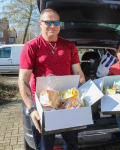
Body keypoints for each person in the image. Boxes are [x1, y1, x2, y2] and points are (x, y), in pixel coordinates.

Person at [18, 8, 85, 150]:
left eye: (56, 22)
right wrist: (32, 109)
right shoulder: (31, 47)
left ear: (60, 24)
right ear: (40, 24)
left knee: (72, 144)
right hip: (43, 106)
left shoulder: (69, 46)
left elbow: (78, 72)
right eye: (48, 22)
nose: (52, 25)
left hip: (68, 103)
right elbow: (23, 79)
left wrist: (83, 96)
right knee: (44, 147)